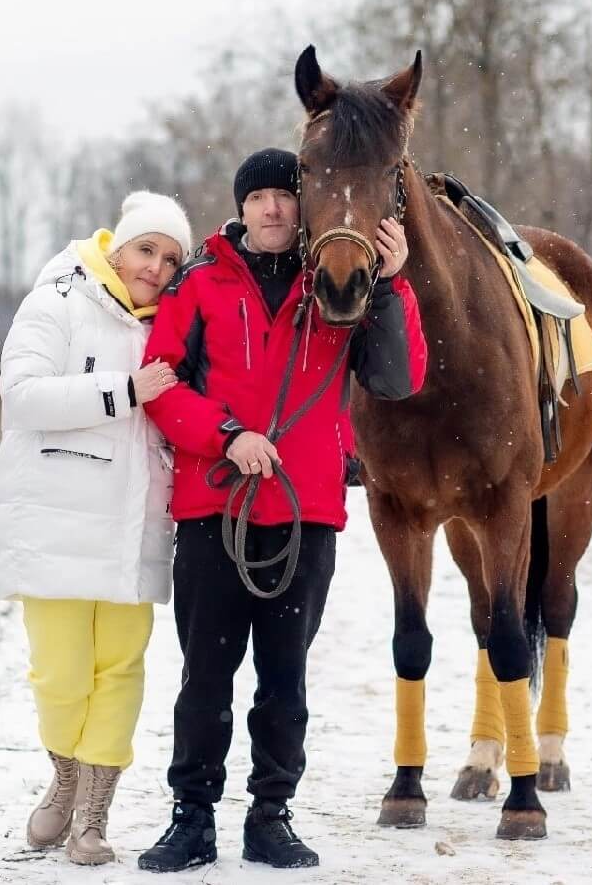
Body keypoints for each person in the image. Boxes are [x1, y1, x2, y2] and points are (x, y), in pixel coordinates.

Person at [136, 149, 427, 871]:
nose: (271, 208)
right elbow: (160, 385)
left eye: (283, 196)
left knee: (285, 682)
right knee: (204, 677)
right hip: (214, 511)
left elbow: (397, 376)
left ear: (305, 207)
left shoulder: (336, 282)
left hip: (305, 517)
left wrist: (392, 286)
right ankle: (191, 816)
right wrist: (226, 436)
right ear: (240, 207)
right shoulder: (199, 284)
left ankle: (271, 815)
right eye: (258, 196)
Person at [0, 191, 192, 866]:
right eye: (147, 249)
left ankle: (93, 816)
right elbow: (22, 398)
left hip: (134, 531)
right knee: (60, 673)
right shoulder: (58, 299)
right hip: (56, 528)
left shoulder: (173, 325)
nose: (157, 267)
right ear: (117, 244)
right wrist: (125, 389)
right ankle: (66, 776)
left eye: (171, 258)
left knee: (121, 671)